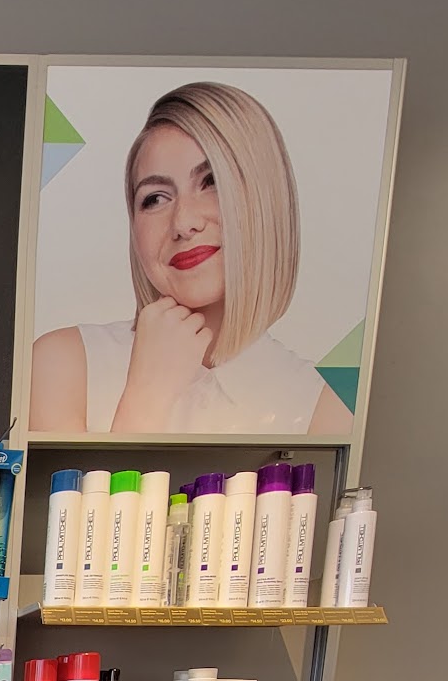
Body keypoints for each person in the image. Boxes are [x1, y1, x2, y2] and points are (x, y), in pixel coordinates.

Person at [30, 82, 354, 437]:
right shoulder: (64, 365)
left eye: (211, 181)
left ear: (265, 199)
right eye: (155, 198)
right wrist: (147, 396)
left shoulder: (323, 409)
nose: (183, 223)